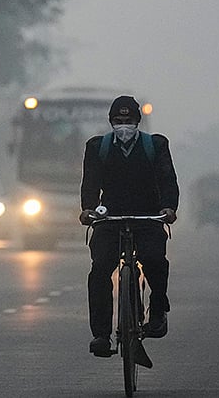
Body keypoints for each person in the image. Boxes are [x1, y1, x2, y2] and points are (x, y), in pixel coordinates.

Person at [79, 95, 179, 357]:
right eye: (118, 120)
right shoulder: (97, 147)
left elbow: (167, 179)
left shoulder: (155, 146)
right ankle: (101, 334)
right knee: (100, 267)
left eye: (129, 120)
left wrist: (169, 208)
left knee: (154, 259)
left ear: (138, 121)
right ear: (111, 122)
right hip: (109, 217)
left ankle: (157, 311)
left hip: (147, 216)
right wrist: (88, 209)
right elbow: (90, 183)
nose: (124, 125)